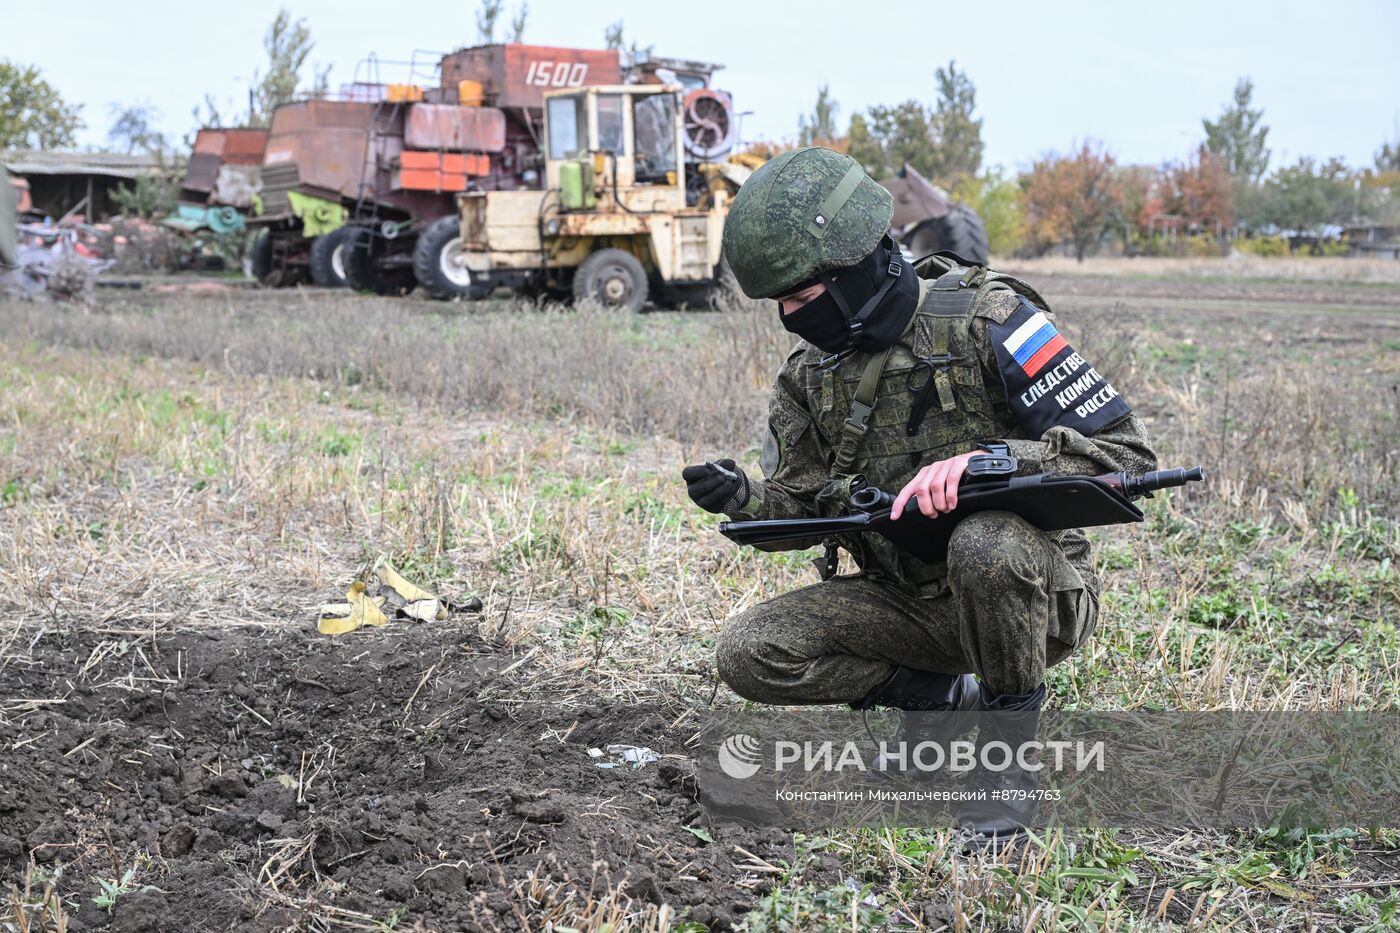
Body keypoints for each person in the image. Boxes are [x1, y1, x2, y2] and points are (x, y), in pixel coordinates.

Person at [682, 147, 1158, 846]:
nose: (787, 316)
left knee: (986, 542)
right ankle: (942, 697)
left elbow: (1128, 455)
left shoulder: (994, 320)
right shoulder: (809, 376)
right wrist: (747, 499)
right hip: (907, 603)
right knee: (751, 651)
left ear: (860, 268)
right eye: (778, 302)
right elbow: (807, 508)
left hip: (1034, 596)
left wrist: (992, 463)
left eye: (802, 298)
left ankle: (1003, 769)